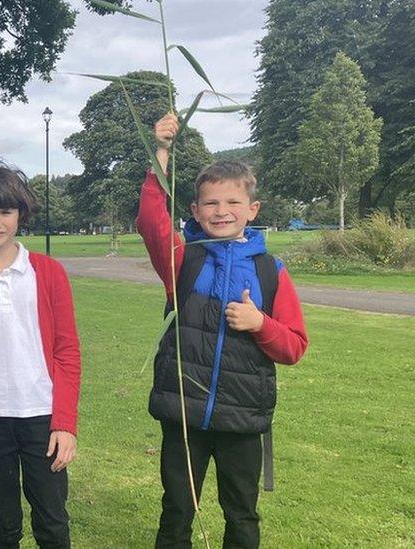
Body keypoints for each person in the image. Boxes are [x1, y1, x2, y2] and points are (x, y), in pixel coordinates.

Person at [139, 114, 309, 548]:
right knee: (177, 508)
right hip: (185, 414)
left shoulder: (270, 271)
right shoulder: (185, 258)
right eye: (211, 204)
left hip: (242, 419)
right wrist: (161, 152)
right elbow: (151, 222)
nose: (221, 212)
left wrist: (260, 324)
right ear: (195, 210)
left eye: (232, 203)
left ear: (252, 209)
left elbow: (294, 346)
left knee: (242, 514)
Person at [0, 164, 82, 549]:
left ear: (21, 215)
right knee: (2, 526)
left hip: (41, 419)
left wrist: (65, 423)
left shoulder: (47, 272)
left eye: (5, 211)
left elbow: (67, 351)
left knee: (52, 522)